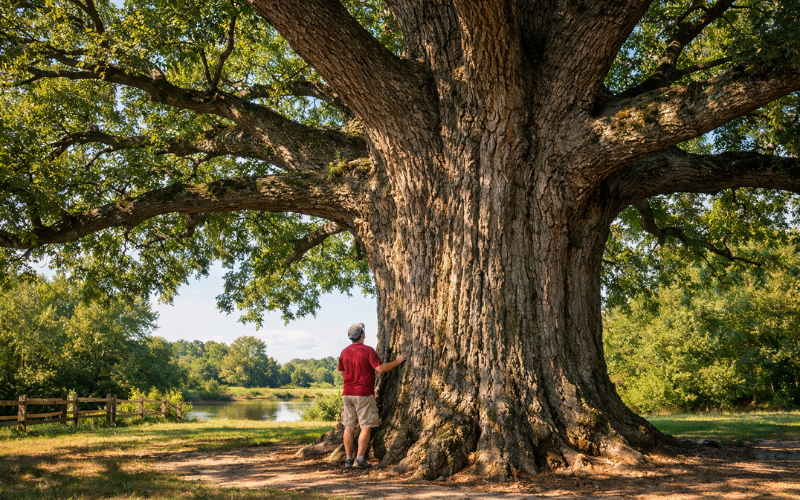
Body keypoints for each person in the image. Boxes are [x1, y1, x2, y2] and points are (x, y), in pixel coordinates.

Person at [337, 323, 407, 469]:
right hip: (363, 394)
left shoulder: (344, 352)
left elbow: (342, 372)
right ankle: (360, 459)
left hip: (347, 393)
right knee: (366, 426)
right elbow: (380, 369)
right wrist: (397, 361)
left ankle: (348, 459)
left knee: (349, 427)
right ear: (362, 335)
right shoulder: (368, 350)